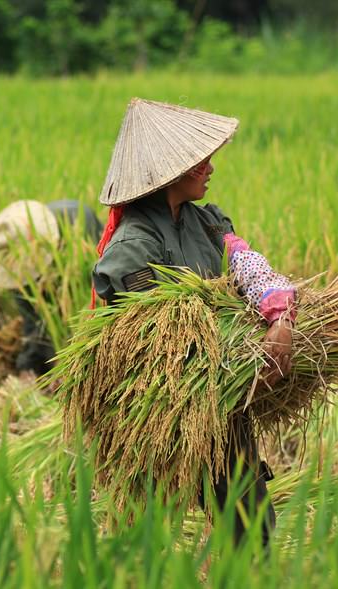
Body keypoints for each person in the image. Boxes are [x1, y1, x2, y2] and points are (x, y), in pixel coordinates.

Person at [91, 98, 296, 548]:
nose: (211, 167)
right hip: (163, 413)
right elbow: (153, 334)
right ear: (171, 170)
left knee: (252, 528)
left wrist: (279, 315)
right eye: (200, 160)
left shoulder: (205, 222)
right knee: (145, 536)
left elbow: (246, 265)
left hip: (221, 408)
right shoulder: (132, 246)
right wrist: (239, 365)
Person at [0, 199, 102, 376]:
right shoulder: (16, 272)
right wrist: (29, 367)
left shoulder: (79, 222)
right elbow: (34, 321)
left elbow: (98, 290)